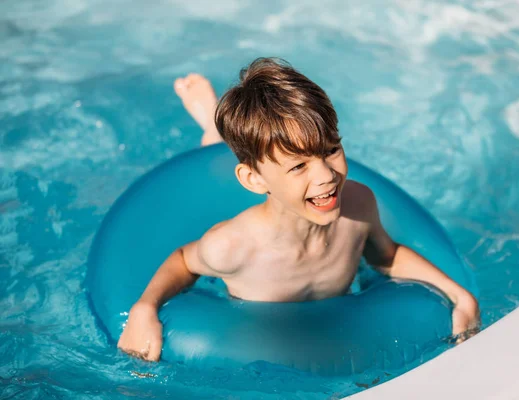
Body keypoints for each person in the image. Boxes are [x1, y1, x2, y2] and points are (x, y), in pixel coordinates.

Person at [117, 58, 480, 361]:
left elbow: (385, 255)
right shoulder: (233, 246)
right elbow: (183, 260)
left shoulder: (358, 205)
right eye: (299, 166)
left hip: (335, 310)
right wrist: (145, 307)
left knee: (265, 151)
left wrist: (458, 294)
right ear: (254, 181)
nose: (326, 175)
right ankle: (213, 129)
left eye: (330, 150)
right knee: (238, 152)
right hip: (250, 329)